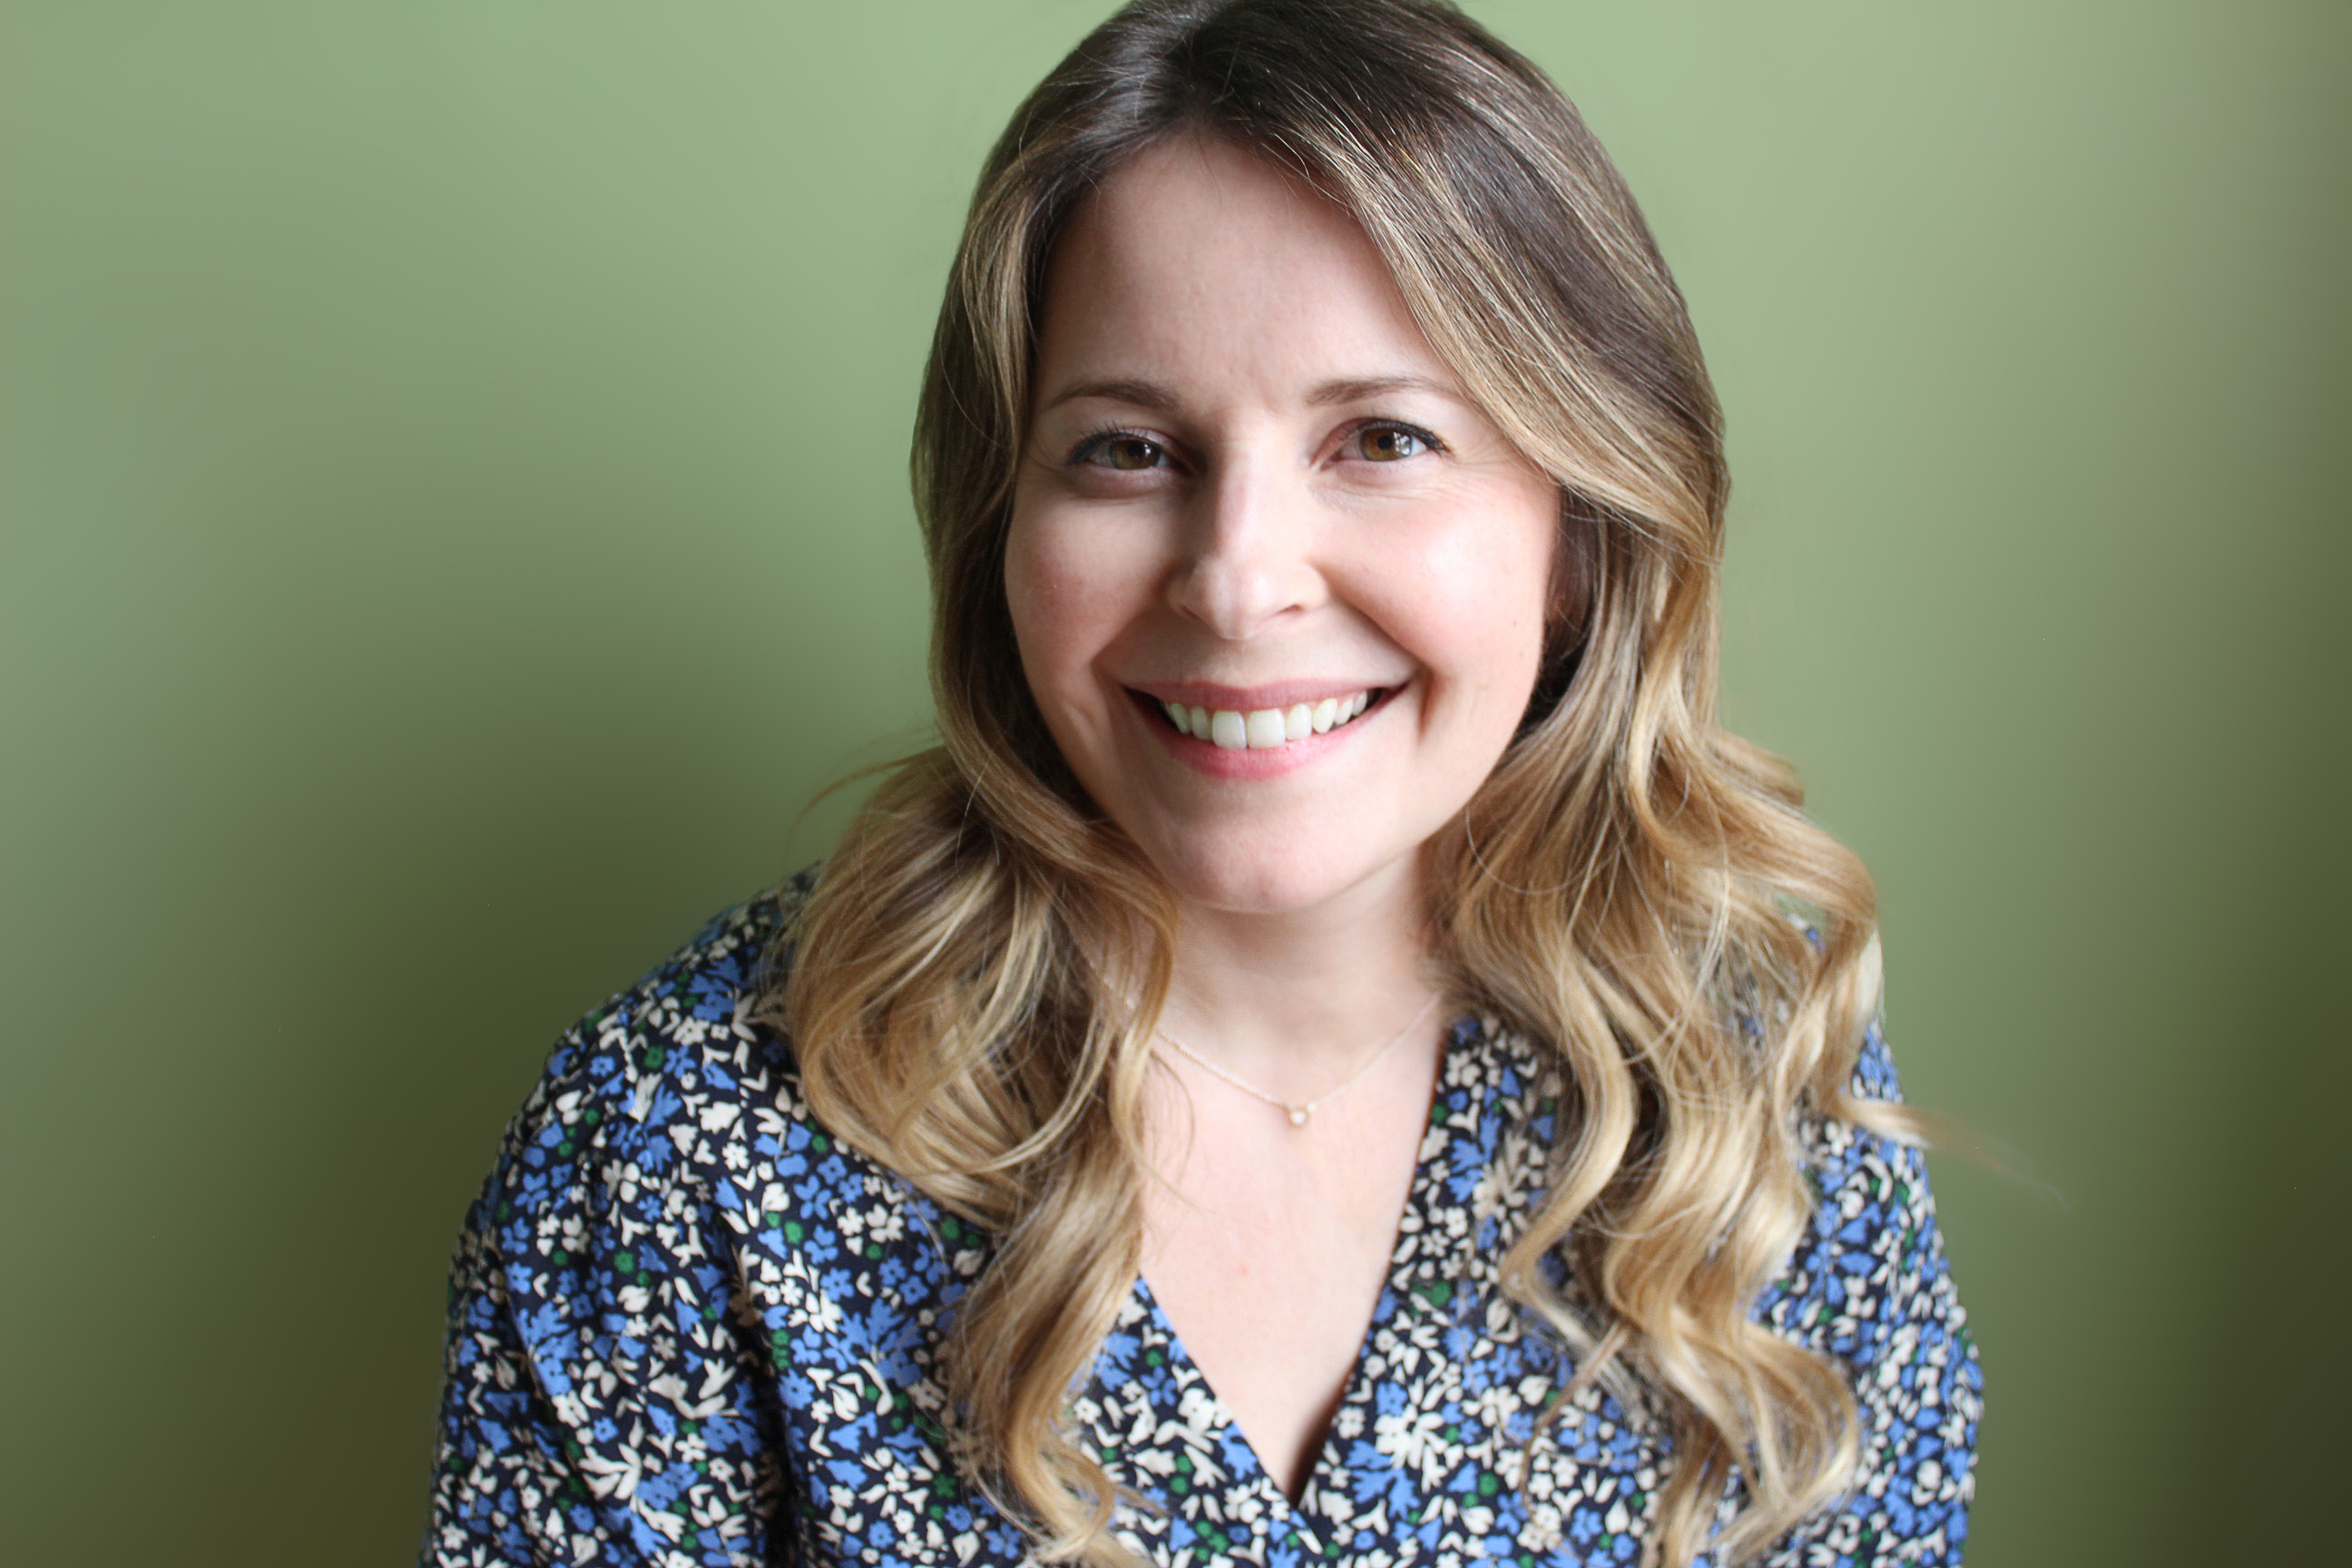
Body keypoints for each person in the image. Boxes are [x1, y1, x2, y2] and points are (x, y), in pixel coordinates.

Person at [418, 2, 1981, 1563]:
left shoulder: (1742, 1082)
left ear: (1575, 537)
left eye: (1381, 438)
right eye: (1128, 452)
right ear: (1003, 527)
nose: (1237, 584)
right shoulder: (676, 1149)